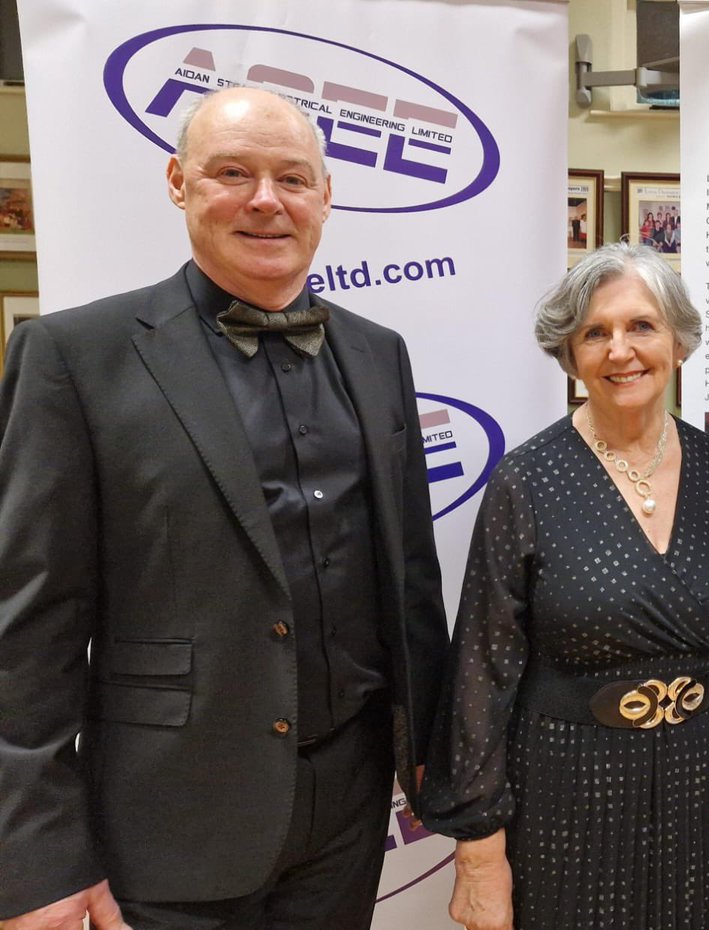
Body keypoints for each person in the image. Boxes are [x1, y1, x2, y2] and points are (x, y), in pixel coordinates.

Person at [0, 87, 449, 930]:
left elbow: (409, 584)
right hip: (169, 823)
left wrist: (436, 767)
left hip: (350, 818)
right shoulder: (73, 358)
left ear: (325, 196)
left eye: (292, 177)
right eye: (232, 173)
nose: (266, 201)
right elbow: (26, 633)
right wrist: (36, 863)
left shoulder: (377, 353)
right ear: (179, 182)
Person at [421, 242, 709, 930]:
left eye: (641, 326)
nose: (620, 351)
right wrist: (480, 854)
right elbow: (481, 672)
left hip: (701, 788)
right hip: (566, 791)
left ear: (677, 342)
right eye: (595, 333)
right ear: (569, 354)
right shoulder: (528, 481)